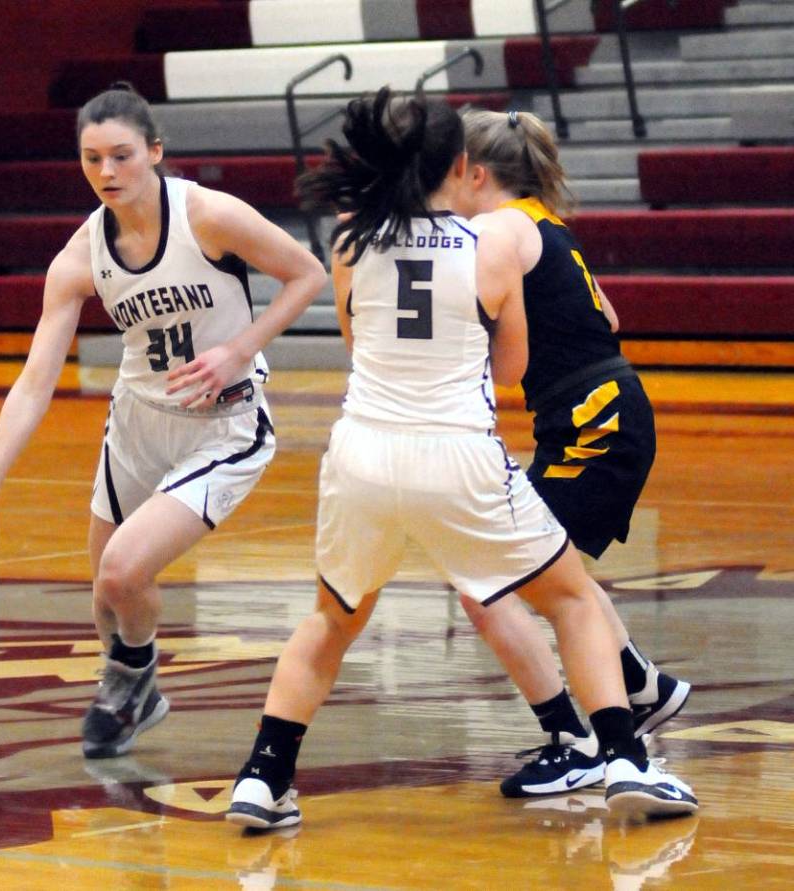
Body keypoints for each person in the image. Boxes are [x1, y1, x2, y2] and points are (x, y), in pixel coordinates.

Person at [225, 87, 697, 830]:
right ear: (459, 166)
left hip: (361, 456)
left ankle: (263, 777)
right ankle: (624, 759)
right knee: (572, 600)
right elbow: (511, 368)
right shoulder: (491, 245)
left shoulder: (349, 243)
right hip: (457, 455)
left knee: (331, 622)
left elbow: (356, 341)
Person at [0, 83, 327, 759]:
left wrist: (239, 349)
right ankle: (134, 686)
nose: (107, 172)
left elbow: (308, 274)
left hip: (224, 422)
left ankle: (133, 678)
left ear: (155, 152)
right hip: (136, 423)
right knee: (107, 595)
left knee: (123, 571)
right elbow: (35, 382)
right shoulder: (80, 256)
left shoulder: (208, 215)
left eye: (122, 155)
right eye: (92, 158)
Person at [450, 108, 690, 798]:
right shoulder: (541, 223)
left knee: (495, 578)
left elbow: (495, 349)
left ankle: (580, 738)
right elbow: (608, 316)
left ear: (475, 174)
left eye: (449, 173)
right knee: (546, 575)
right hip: (600, 410)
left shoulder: (497, 229)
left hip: (593, 420)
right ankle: (637, 685)